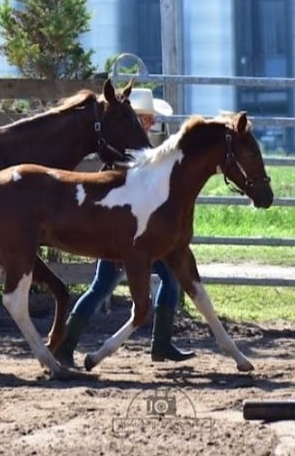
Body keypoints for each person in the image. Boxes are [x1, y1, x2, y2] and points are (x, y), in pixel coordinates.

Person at [54, 87, 195, 367]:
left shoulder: (139, 150)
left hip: (144, 235)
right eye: (147, 118)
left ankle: (160, 343)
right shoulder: (124, 153)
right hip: (124, 235)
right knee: (104, 286)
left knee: (114, 285)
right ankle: (69, 345)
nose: (152, 123)